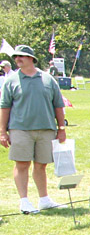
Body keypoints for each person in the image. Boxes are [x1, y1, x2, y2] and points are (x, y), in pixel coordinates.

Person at [0, 45, 66, 213]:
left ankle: (44, 199)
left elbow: (58, 105)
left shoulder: (47, 79)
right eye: (15, 57)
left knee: (41, 165)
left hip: (46, 129)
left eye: (21, 56)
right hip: (19, 129)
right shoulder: (11, 80)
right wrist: (2, 132)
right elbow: (4, 107)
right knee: (22, 164)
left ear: (31, 58)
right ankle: (24, 201)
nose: (17, 59)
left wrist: (61, 127)